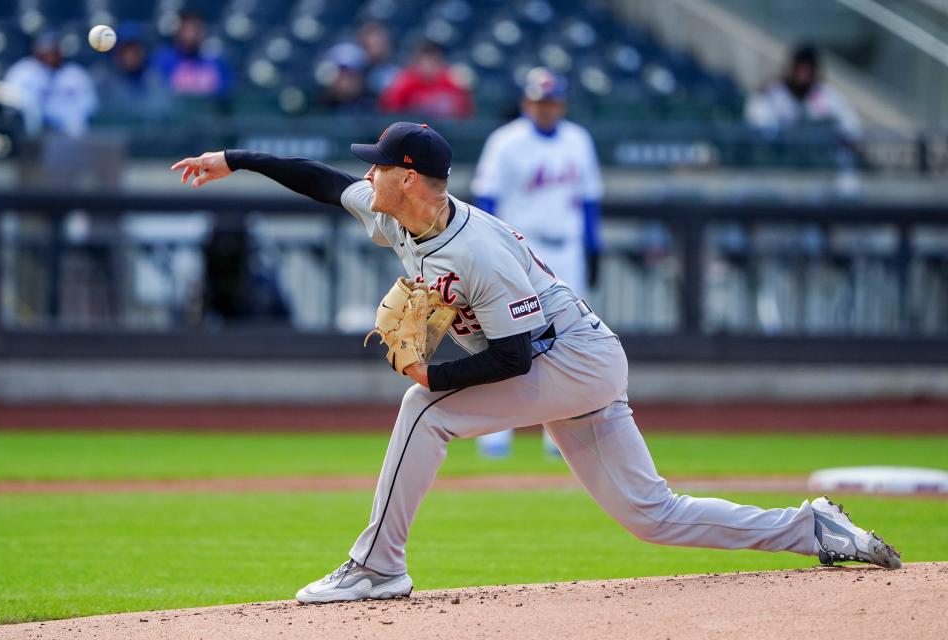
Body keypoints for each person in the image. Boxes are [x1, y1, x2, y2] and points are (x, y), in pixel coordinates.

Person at [171, 122, 901, 605]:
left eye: (380, 166)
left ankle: (376, 568)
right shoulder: (390, 208)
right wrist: (232, 160)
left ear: (411, 176)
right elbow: (316, 177)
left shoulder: (477, 249)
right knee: (653, 516)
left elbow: (516, 356)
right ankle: (814, 530)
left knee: (423, 411)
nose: (368, 177)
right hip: (567, 363)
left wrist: (435, 378)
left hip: (573, 359)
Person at [472, 67, 603, 458]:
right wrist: (482, 249)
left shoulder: (579, 140)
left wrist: (594, 246)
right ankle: (495, 432)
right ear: (527, 102)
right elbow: (486, 199)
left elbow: (590, 198)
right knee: (506, 334)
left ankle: (559, 435)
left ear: (561, 103)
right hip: (521, 249)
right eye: (539, 101)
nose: (546, 108)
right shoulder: (506, 141)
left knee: (567, 339)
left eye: (552, 101)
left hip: (567, 247)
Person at [745, 44, 861, 143]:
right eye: (801, 67)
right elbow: (761, 126)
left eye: (810, 67)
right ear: (792, 68)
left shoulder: (826, 93)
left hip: (820, 161)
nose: (805, 74)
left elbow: (852, 127)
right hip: (780, 159)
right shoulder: (772, 92)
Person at [3, 31, 98, 136]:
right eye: (46, 49)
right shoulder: (22, 72)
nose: (51, 54)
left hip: (72, 137)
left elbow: (90, 106)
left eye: (54, 49)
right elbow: (12, 107)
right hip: (33, 136)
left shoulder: (76, 74)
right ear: (36, 49)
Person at [92, 22, 171, 121]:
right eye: (126, 50)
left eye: (135, 49)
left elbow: (163, 110)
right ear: (116, 52)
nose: (131, 55)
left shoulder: (153, 78)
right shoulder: (103, 80)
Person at [379, 41, 473, 119]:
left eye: (434, 61)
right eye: (426, 61)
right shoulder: (405, 82)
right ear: (416, 62)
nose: (429, 66)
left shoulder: (451, 81)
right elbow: (390, 113)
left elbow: (465, 114)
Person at [150, 11, 232, 98]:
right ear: (178, 31)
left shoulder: (217, 63)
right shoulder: (162, 60)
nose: (193, 34)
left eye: (198, 29)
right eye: (188, 29)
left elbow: (226, 94)